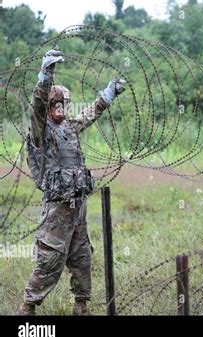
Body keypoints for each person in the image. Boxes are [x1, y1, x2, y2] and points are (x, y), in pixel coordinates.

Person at [17, 49, 126, 315]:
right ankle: (27, 307)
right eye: (57, 105)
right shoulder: (40, 130)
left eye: (64, 104)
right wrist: (46, 73)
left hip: (77, 207)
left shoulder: (69, 128)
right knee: (51, 258)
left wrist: (108, 94)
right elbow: (38, 103)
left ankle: (81, 305)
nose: (61, 109)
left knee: (81, 257)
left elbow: (90, 113)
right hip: (56, 209)